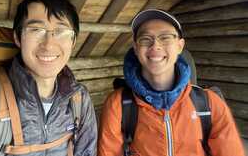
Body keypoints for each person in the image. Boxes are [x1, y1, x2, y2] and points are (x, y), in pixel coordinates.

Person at [0, 0, 97, 156]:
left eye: (61, 32)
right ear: (18, 38)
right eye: (36, 30)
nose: (48, 44)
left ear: (73, 41)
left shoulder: (79, 99)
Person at [98, 9, 245, 156]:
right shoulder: (118, 104)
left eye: (165, 37)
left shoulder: (209, 104)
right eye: (145, 38)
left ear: (180, 46)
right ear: (136, 48)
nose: (155, 45)